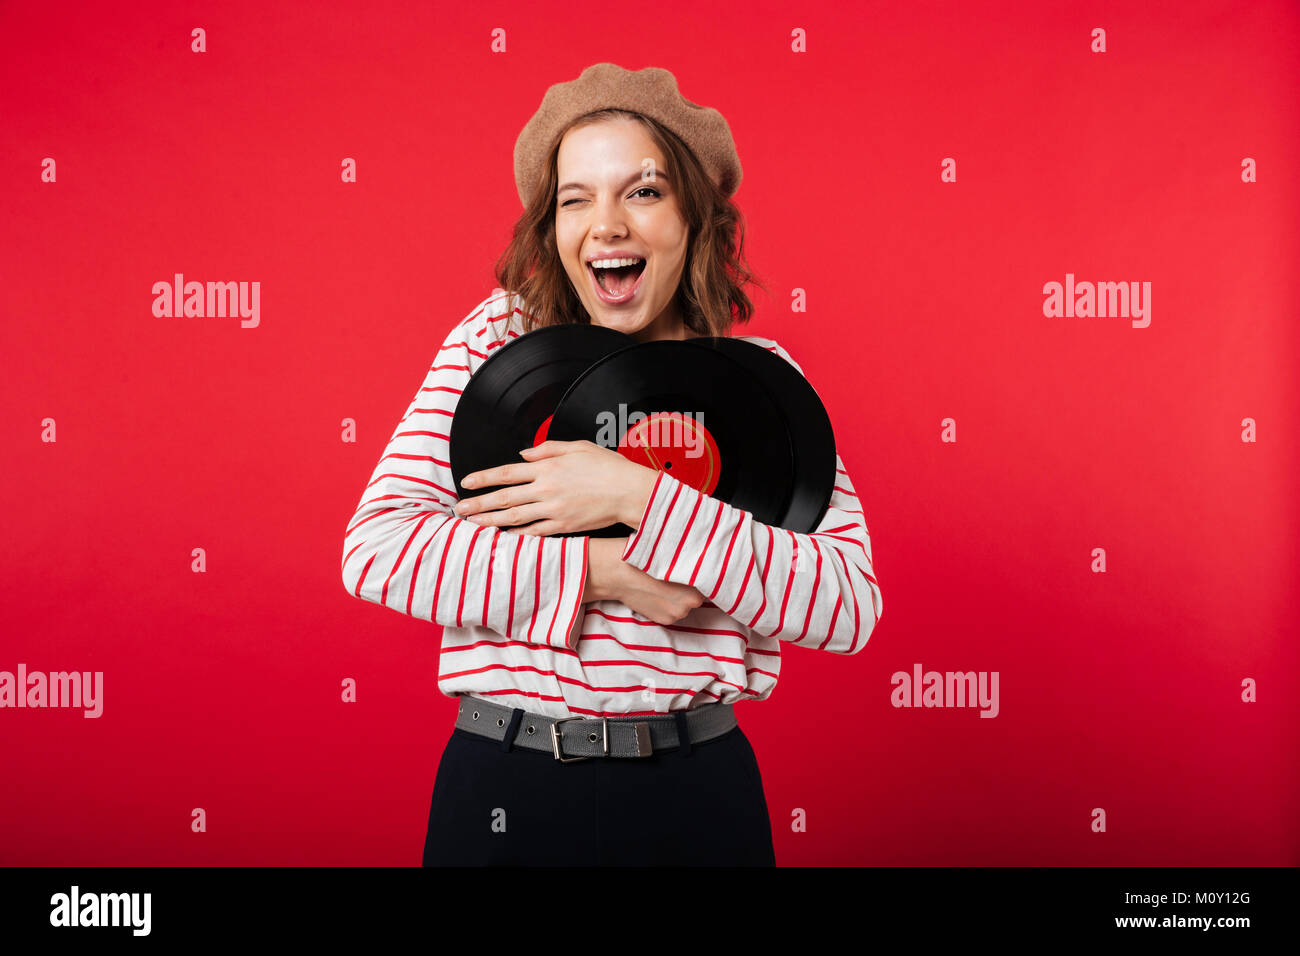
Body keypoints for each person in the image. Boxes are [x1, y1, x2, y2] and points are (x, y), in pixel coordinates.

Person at [340, 63, 883, 867]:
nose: (607, 225)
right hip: (505, 786)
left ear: (695, 219)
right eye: (576, 198)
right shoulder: (497, 343)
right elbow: (380, 549)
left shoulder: (764, 384)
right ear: (551, 230)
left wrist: (637, 494)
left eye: (643, 191)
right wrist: (609, 569)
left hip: (697, 798)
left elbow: (846, 604)